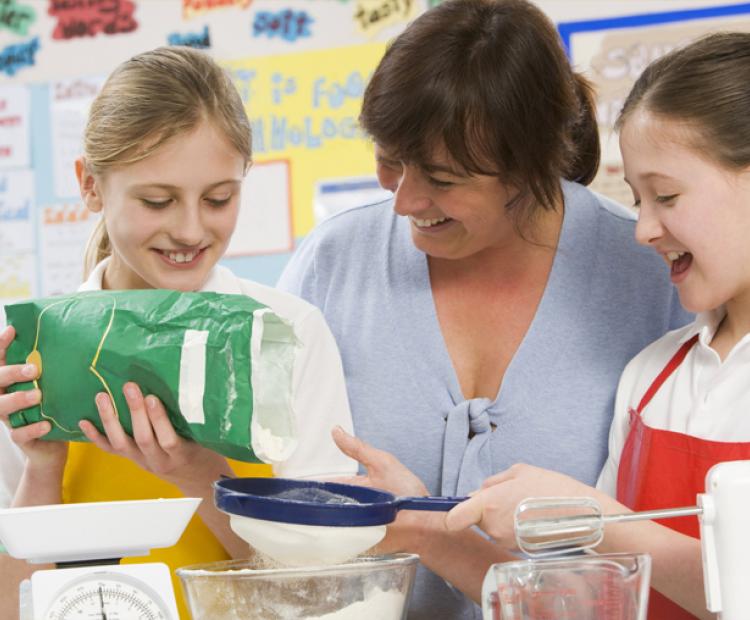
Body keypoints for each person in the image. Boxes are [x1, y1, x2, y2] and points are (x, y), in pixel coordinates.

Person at [277, 0, 692, 617]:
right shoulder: (332, 263)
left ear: (530, 167)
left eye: (442, 180)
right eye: (390, 160)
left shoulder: (655, 276)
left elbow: (678, 561)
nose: (404, 200)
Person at [0, 46, 356, 618]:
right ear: (90, 185)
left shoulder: (287, 334)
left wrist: (197, 473)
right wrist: (42, 465)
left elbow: (322, 591)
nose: (191, 228)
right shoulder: (32, 350)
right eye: (157, 200)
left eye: (219, 198)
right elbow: (14, 602)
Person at [443, 31, 750, 620]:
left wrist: (598, 518)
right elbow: (595, 599)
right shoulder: (653, 375)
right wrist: (421, 529)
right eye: (637, 200)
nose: (643, 230)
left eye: (667, 196)